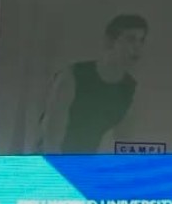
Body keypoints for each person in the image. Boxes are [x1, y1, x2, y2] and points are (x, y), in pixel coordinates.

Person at [38, 14, 147, 154]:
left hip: (86, 160)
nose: (137, 47)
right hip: (51, 159)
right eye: (130, 39)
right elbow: (51, 132)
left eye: (141, 40)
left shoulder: (128, 89)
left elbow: (123, 140)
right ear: (110, 41)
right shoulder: (74, 75)